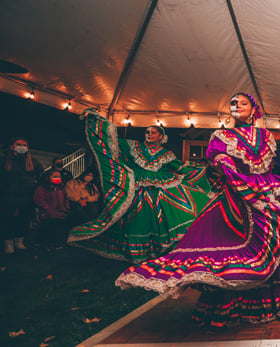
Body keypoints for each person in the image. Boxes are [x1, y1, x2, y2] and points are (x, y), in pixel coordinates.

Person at [116, 93, 280, 326]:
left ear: (254, 109)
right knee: (238, 245)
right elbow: (220, 163)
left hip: (269, 190)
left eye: (242, 103)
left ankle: (276, 299)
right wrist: (238, 182)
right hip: (238, 195)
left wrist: (274, 190)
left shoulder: (266, 136)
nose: (236, 106)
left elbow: (273, 167)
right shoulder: (222, 136)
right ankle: (233, 301)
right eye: (233, 104)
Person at [68, 110, 214, 263]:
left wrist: (202, 169)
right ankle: (136, 249)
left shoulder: (167, 153)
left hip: (162, 186)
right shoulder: (133, 146)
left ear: (161, 137)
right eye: (147, 132)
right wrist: (100, 124)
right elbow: (112, 143)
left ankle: (163, 246)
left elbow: (180, 167)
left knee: (175, 210)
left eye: (153, 132)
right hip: (137, 185)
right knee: (136, 217)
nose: (149, 134)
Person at [1, 138, 42, 254]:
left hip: (27, 198)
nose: (22, 146)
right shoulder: (3, 161)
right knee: (7, 220)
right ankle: (8, 243)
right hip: (8, 197)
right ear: (12, 146)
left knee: (23, 220)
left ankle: (19, 241)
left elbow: (42, 176)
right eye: (19, 144)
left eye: (25, 145)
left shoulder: (33, 162)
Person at [33, 169, 70, 249]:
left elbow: (66, 199)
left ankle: (56, 243)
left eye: (59, 176)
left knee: (58, 230)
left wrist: (66, 209)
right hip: (47, 214)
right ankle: (43, 245)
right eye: (55, 176)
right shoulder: (41, 188)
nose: (58, 178)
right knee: (46, 230)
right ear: (48, 177)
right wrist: (49, 211)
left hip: (60, 213)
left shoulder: (61, 188)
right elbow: (40, 201)